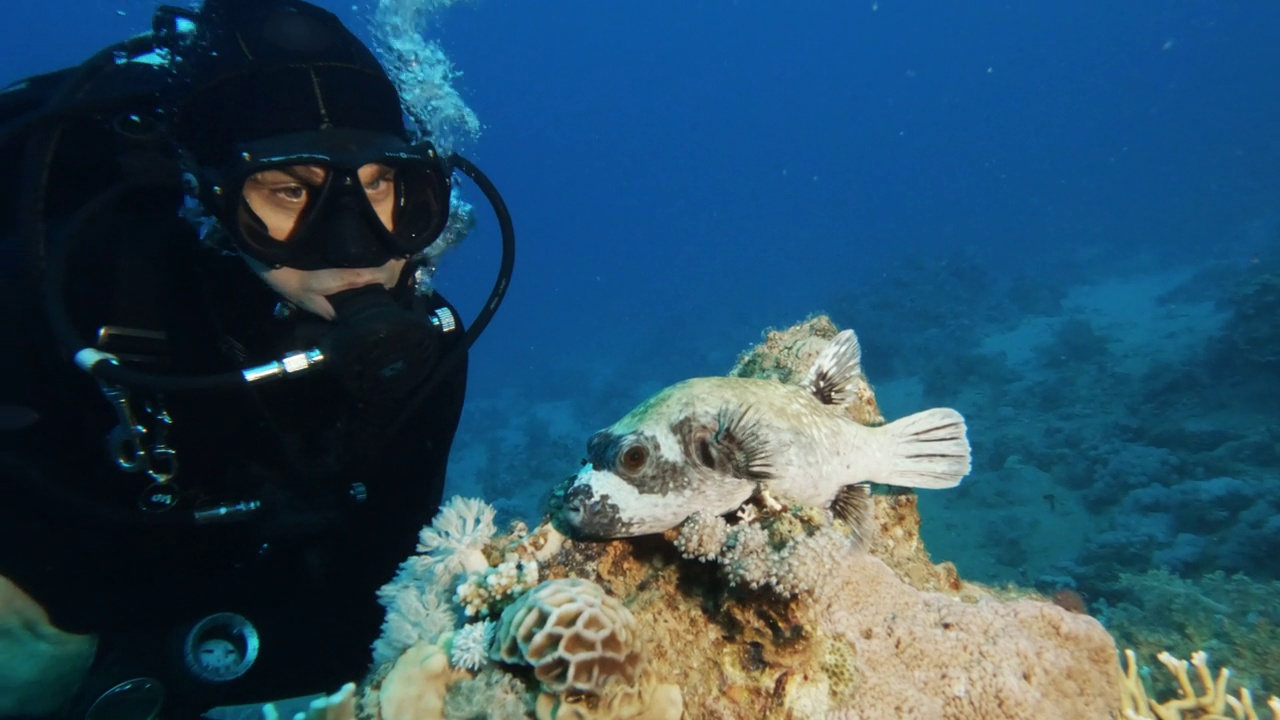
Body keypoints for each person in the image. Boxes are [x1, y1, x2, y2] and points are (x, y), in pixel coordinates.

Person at [0, 0, 514, 716]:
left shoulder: (422, 348)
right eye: (288, 190)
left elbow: (387, 589)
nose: (354, 244)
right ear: (210, 197)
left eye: (381, 187)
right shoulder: (71, 291)